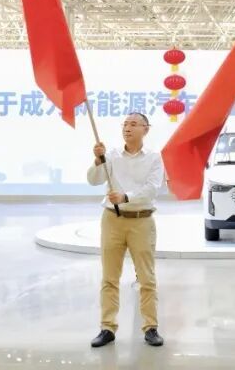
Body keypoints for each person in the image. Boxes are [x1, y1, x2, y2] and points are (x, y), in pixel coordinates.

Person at [87, 112, 165, 348]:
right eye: (125, 124)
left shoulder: (154, 158)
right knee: (109, 277)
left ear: (145, 129)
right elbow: (93, 180)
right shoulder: (111, 155)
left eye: (133, 124)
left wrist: (125, 196)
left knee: (146, 277)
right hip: (112, 220)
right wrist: (97, 161)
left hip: (142, 220)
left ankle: (150, 327)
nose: (127, 128)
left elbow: (152, 188)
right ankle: (107, 327)